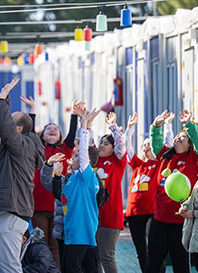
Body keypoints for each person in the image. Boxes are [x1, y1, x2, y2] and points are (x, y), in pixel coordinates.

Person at [0, 77, 44, 273]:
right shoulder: (24, 143)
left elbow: (7, 129)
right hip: (8, 211)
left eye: (11, 120)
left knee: (8, 267)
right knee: (3, 266)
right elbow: (18, 127)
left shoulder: (21, 145)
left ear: (18, 130)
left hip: (11, 211)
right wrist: (8, 102)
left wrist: (1, 100)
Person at [21, 95, 80, 267]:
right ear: (43, 136)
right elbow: (30, 133)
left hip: (59, 206)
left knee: (55, 246)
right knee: (41, 244)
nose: (53, 130)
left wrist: (74, 115)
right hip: (38, 206)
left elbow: (72, 134)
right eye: (49, 129)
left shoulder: (65, 150)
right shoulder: (37, 149)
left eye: (55, 129)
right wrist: (32, 111)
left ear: (60, 135)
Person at [146, 109, 198, 273]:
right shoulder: (165, 155)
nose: (178, 139)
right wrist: (156, 126)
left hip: (181, 220)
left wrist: (189, 125)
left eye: (183, 138)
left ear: (189, 144)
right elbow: (156, 141)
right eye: (177, 137)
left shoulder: (194, 158)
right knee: (152, 260)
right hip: (159, 217)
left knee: (179, 262)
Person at [61, 107, 101, 273]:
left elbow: (85, 153)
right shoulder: (74, 177)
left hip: (81, 232)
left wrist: (83, 126)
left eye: (76, 155)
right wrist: (88, 124)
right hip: (72, 233)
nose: (74, 157)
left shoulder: (87, 177)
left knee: (72, 269)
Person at [123, 112, 160, 273]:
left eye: (149, 144)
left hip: (151, 211)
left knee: (154, 247)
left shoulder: (160, 164)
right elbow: (128, 148)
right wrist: (130, 129)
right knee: (140, 251)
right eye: (144, 145)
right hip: (133, 212)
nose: (146, 147)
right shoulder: (138, 165)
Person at [94, 112, 127, 273]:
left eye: (106, 143)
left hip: (111, 215)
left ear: (113, 148)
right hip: (93, 215)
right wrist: (84, 120)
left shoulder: (117, 161)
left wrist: (113, 126)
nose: (101, 145)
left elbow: (121, 144)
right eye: (101, 142)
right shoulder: (94, 160)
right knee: (95, 257)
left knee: (106, 255)